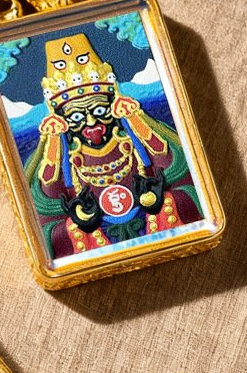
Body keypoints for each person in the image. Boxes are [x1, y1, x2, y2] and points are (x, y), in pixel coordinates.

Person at [23, 33, 202, 259]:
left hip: (152, 221)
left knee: (170, 203)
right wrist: (78, 216)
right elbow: (47, 207)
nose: (91, 122)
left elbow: (175, 169)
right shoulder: (64, 157)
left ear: (112, 107)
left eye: (99, 111)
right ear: (64, 121)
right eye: (77, 116)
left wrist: (136, 120)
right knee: (72, 230)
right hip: (98, 237)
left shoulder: (132, 140)